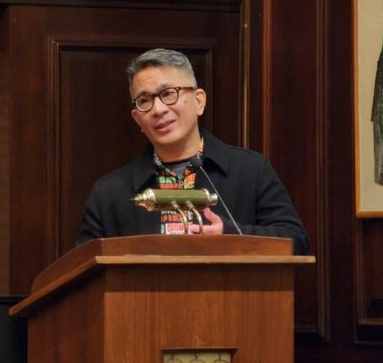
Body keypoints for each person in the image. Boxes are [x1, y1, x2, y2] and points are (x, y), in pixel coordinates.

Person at [76, 48, 309, 254]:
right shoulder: (109, 194)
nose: (158, 109)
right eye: (144, 100)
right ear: (137, 119)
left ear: (199, 101)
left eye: (168, 93)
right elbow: (83, 274)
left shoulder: (251, 170)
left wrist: (229, 234)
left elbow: (296, 243)